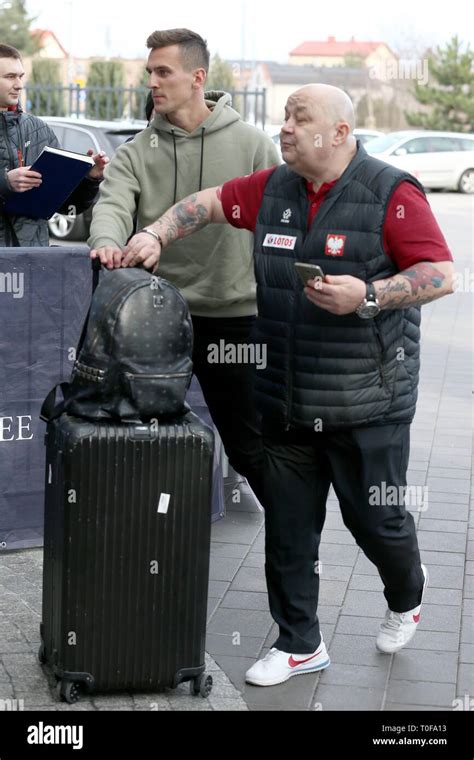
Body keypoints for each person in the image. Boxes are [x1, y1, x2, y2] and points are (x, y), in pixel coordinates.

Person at [96, 83, 456, 687]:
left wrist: (368, 295)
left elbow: (441, 274)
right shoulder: (274, 189)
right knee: (289, 528)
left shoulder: (390, 192)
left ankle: (407, 594)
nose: (285, 127)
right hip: (284, 397)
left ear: (339, 133)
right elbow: (206, 204)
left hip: (366, 402)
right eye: (284, 116)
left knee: (378, 523)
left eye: (300, 117)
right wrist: (157, 233)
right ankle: (300, 642)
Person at [89, 29, 280, 504]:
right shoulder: (136, 150)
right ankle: (145, 535)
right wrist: (108, 242)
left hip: (236, 321)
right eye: (149, 72)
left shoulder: (253, 145)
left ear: (197, 78)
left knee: (249, 446)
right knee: (137, 435)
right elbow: (111, 204)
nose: (152, 81)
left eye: (163, 72)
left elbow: (281, 224)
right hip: (157, 319)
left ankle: (295, 542)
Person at [0, 43, 108, 247]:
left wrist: (88, 179)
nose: (19, 84)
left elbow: (66, 207)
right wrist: (5, 183)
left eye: (20, 76)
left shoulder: (39, 130)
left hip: (32, 263)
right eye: (9, 76)